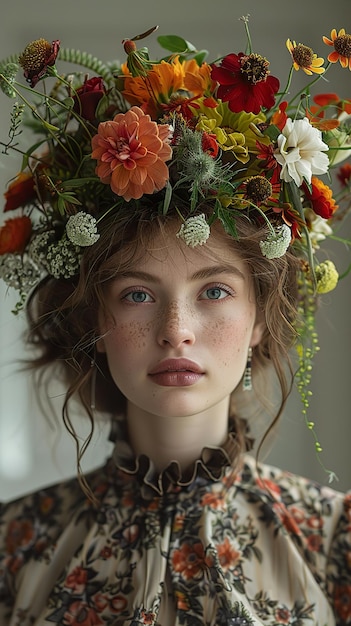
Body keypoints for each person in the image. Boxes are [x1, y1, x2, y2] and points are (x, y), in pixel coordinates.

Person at [0, 21, 350, 626]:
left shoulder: (335, 541)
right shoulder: (13, 544)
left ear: (261, 317)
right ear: (93, 315)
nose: (177, 329)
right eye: (138, 294)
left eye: (214, 290)